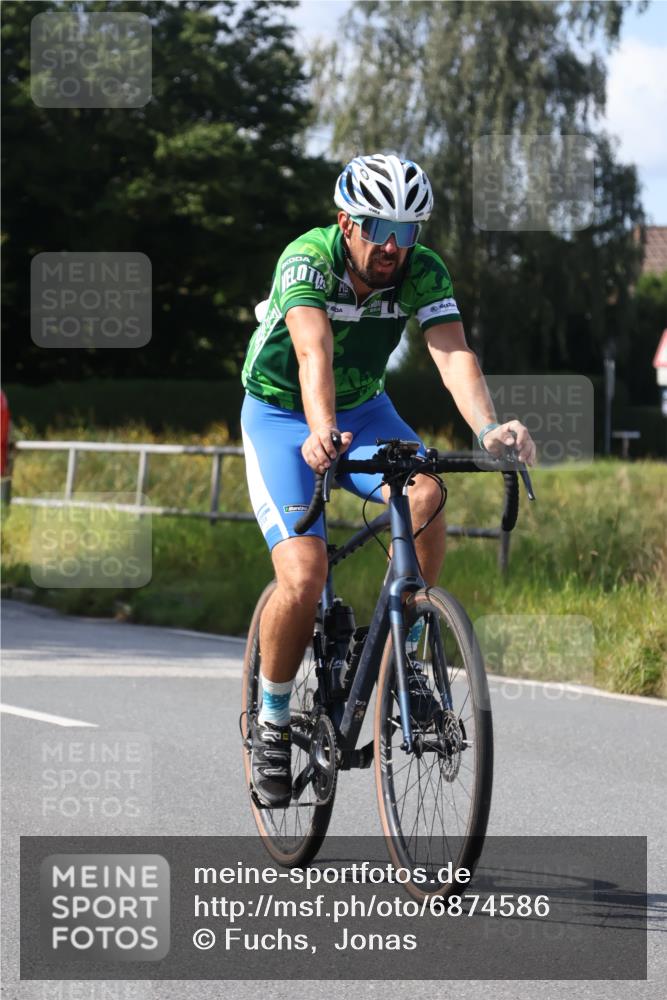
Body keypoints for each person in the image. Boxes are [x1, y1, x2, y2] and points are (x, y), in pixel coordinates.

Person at [241, 153, 535, 806]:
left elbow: (451, 351)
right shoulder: (306, 259)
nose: (393, 247)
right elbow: (313, 350)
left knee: (427, 491)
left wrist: (489, 429)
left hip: (366, 409)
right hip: (283, 414)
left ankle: (408, 653)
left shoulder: (420, 271)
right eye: (380, 229)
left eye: (408, 232)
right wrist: (318, 429)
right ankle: (271, 719)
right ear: (347, 222)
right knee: (304, 574)